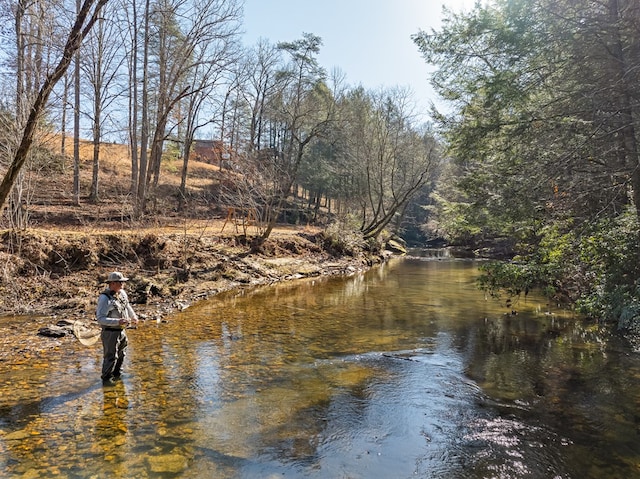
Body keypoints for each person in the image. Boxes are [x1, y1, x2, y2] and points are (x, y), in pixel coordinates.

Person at [96, 271, 139, 386]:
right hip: (110, 333)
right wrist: (117, 321)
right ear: (113, 283)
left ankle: (117, 376)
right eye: (120, 282)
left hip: (122, 331)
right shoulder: (104, 298)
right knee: (110, 357)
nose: (122, 284)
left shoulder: (122, 293)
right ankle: (106, 381)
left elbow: (127, 306)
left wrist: (133, 317)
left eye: (123, 282)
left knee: (122, 354)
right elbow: (100, 318)